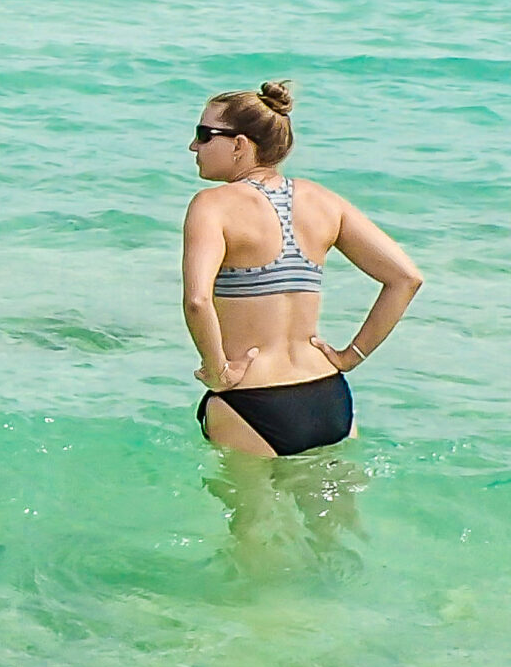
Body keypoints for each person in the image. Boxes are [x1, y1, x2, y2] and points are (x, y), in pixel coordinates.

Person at [181, 81, 422, 458]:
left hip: (250, 399)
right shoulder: (323, 200)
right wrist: (350, 356)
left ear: (240, 144)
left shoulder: (212, 206)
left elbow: (197, 300)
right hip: (328, 392)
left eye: (204, 135)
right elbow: (406, 278)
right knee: (336, 516)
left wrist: (218, 371)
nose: (194, 146)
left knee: (254, 517)